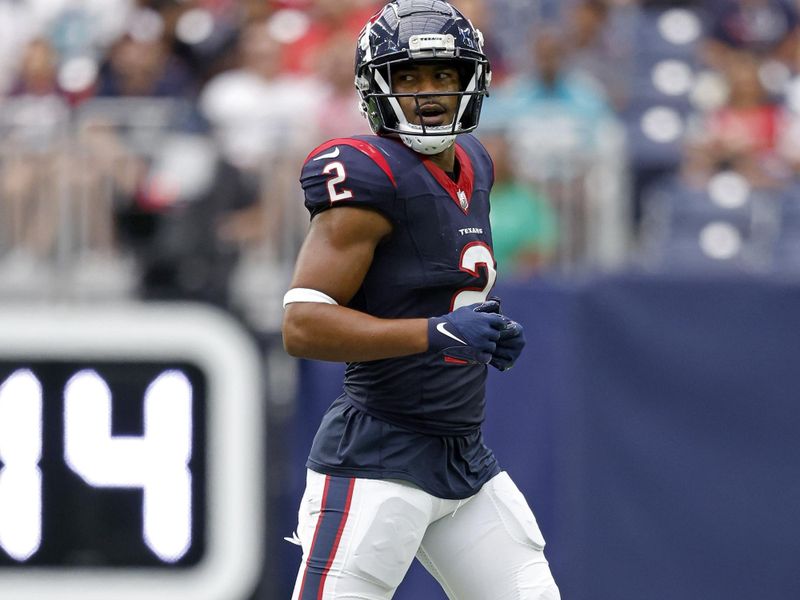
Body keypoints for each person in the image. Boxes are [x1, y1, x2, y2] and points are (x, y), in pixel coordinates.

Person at [281, 1, 561, 598]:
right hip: (377, 453)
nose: (428, 93)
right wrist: (434, 334)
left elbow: (432, 281)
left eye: (443, 76)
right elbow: (302, 325)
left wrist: (483, 325)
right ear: (376, 86)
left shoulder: (476, 162)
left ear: (473, 82)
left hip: (462, 456)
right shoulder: (367, 172)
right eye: (407, 76)